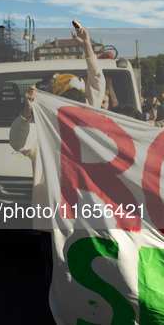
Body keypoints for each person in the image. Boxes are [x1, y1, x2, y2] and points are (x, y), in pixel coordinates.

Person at [9, 20, 105, 286]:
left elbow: (97, 87)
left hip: (82, 216)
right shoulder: (41, 131)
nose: (76, 102)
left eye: (78, 98)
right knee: (55, 272)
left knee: (83, 273)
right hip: (52, 220)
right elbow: (17, 141)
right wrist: (26, 112)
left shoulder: (86, 127)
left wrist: (87, 47)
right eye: (70, 97)